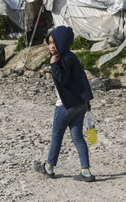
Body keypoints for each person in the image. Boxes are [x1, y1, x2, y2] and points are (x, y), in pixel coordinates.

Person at [34, 26, 95, 182]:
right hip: (80, 104)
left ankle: (49, 167)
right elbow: (81, 81)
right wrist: (87, 101)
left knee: (56, 135)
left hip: (65, 105)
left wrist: (53, 64)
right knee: (78, 137)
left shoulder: (64, 59)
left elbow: (63, 80)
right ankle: (86, 172)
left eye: (54, 42)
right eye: (49, 43)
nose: (52, 46)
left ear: (63, 42)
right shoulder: (72, 57)